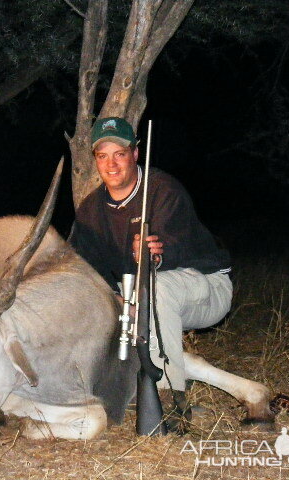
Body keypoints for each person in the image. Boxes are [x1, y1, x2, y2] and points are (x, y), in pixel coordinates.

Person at [69, 116, 232, 430]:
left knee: (155, 289)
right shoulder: (90, 211)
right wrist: (113, 299)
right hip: (136, 293)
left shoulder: (162, 190)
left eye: (119, 154)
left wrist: (158, 252)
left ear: (135, 154)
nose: (111, 164)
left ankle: (171, 401)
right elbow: (86, 268)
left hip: (206, 289)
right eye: (102, 156)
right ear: (95, 160)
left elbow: (178, 246)